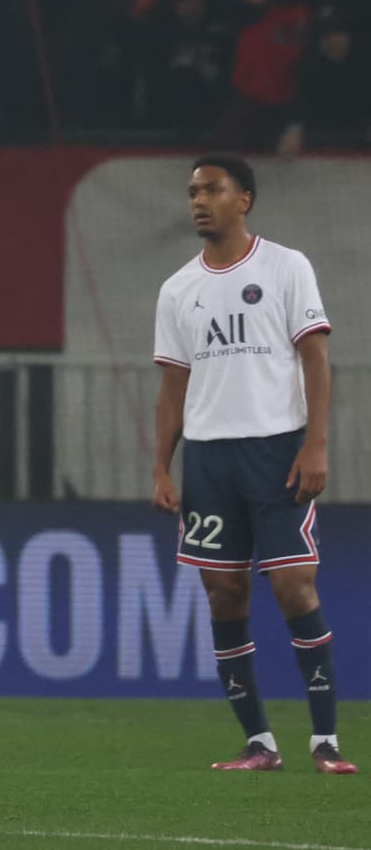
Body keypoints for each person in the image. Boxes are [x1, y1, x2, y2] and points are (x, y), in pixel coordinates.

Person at [151, 155, 356, 775]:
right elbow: (173, 389)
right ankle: (259, 743)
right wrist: (161, 467)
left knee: (294, 586)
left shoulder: (286, 267)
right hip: (209, 459)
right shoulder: (177, 289)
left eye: (212, 189)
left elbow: (315, 359)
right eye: (193, 191)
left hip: (275, 451)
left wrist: (315, 443)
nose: (198, 201)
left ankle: (325, 742)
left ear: (244, 199)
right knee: (224, 592)